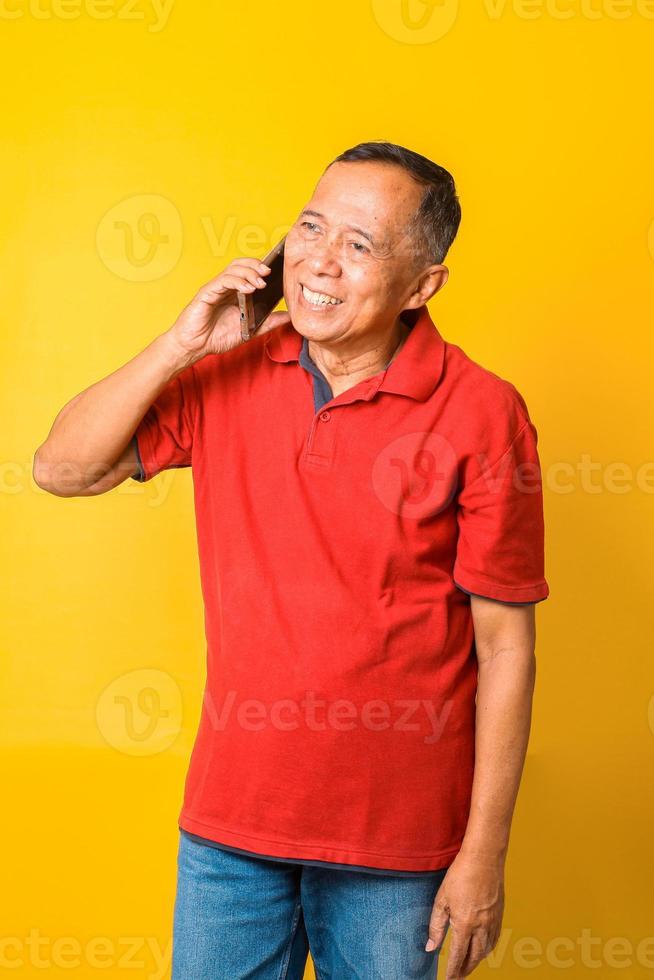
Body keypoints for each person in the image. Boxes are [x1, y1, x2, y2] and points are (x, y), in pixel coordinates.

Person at [34, 140, 550, 979]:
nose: (320, 260)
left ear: (422, 286)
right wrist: (181, 346)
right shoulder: (231, 371)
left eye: (360, 243)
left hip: (399, 845)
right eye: (311, 226)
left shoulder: (484, 412)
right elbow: (61, 469)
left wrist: (483, 854)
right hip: (231, 831)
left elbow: (506, 648)